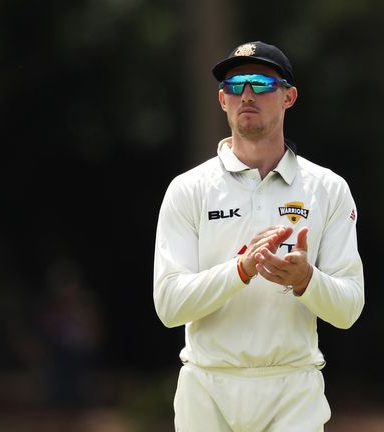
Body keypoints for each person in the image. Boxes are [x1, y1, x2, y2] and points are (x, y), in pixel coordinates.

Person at [152, 41, 365, 431]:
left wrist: (307, 280)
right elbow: (169, 306)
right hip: (206, 388)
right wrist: (241, 270)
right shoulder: (189, 189)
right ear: (222, 100)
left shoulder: (328, 189)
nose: (247, 94)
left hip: (293, 389)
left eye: (261, 82)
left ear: (289, 96)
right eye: (235, 85)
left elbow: (349, 309)